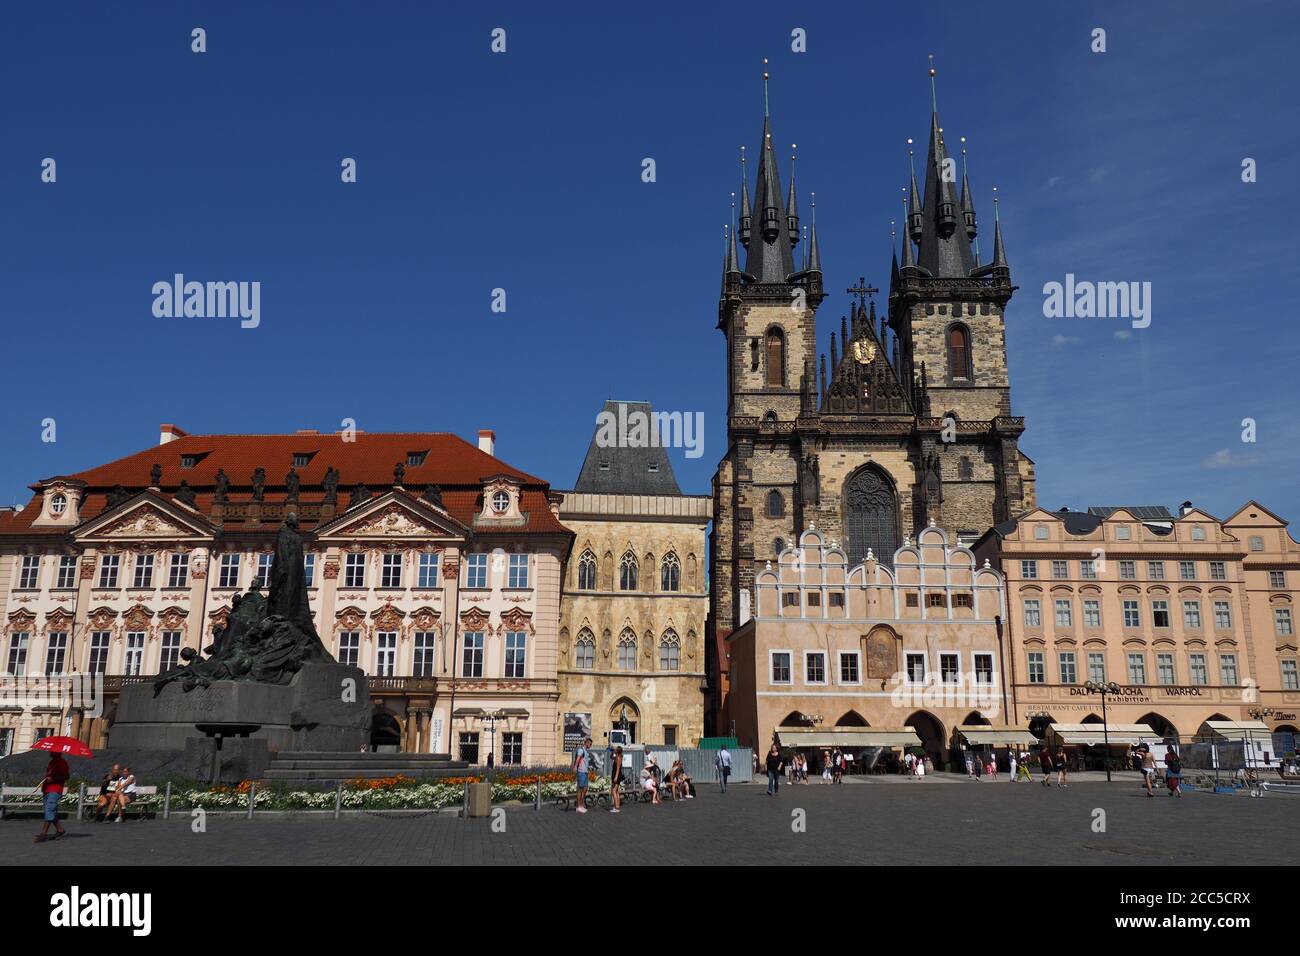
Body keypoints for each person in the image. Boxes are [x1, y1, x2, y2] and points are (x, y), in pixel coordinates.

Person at [35, 752, 70, 842]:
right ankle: (60, 829)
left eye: (52, 751)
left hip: (55, 790)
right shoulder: (51, 762)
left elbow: (66, 776)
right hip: (47, 789)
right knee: (51, 812)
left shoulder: (62, 763)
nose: (50, 752)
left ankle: (43, 834)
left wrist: (53, 779)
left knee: (49, 810)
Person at [572, 736, 592, 814]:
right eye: (590, 744)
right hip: (581, 772)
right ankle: (578, 806)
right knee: (580, 789)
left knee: (585, 788)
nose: (590, 745)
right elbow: (578, 759)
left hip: (585, 772)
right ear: (586, 743)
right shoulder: (581, 750)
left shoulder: (586, 751)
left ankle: (581, 804)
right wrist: (575, 767)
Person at [610, 746, 624, 813]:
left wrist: (615, 777)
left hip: (616, 775)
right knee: (617, 791)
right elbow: (611, 757)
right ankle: (617, 806)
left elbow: (618, 768)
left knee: (613, 791)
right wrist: (612, 752)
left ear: (617, 751)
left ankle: (616, 808)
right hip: (616, 775)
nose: (614, 750)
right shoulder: (617, 757)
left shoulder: (618, 758)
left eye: (615, 750)